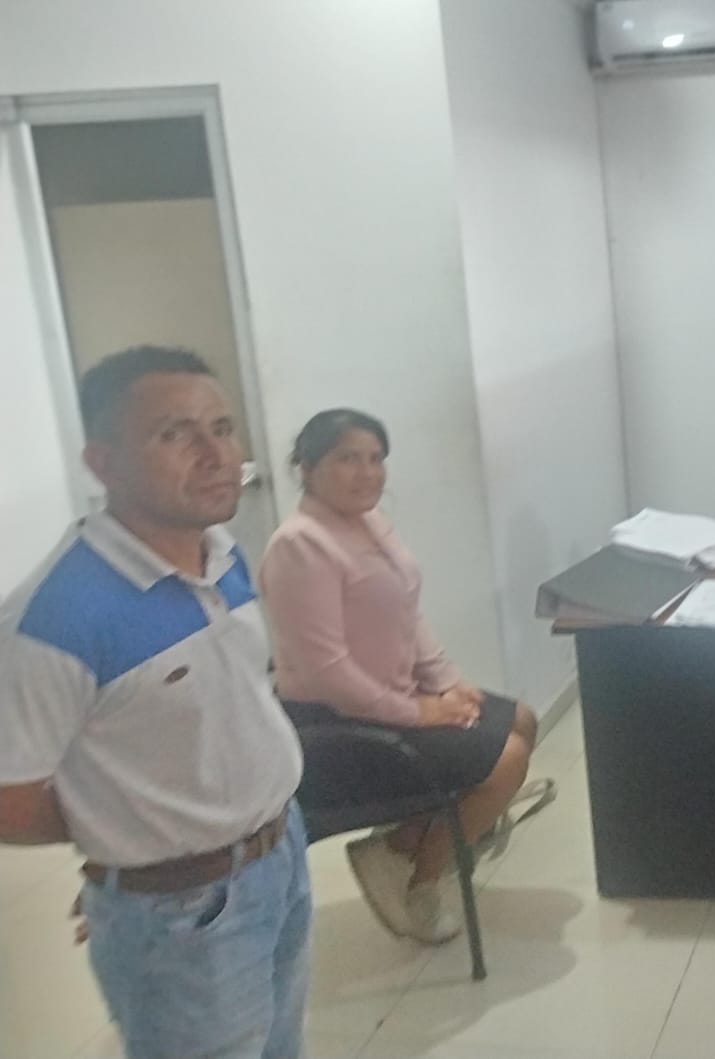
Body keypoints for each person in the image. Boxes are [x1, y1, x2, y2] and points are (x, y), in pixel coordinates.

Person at [0, 345, 310, 1059]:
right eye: (175, 433)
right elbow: (8, 797)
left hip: (281, 854)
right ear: (102, 463)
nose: (216, 453)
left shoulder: (221, 552)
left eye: (222, 428)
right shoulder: (54, 619)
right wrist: (128, 845)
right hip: (182, 910)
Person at [259, 409, 550, 946]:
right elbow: (327, 674)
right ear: (306, 467)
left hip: (390, 698)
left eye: (376, 459)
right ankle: (419, 877)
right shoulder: (300, 545)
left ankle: (399, 845)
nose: (367, 473)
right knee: (507, 759)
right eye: (348, 459)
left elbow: (406, 613)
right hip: (334, 725)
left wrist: (448, 683)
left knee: (523, 721)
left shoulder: (368, 522)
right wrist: (420, 712)